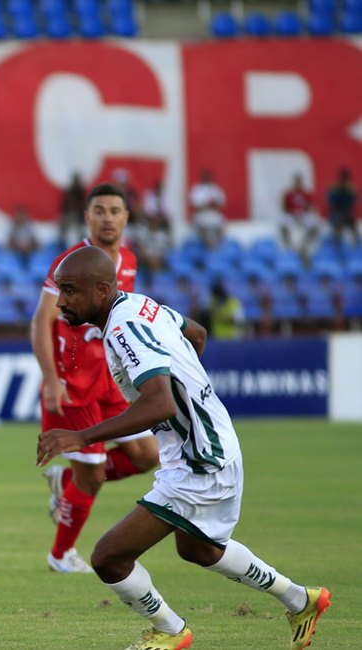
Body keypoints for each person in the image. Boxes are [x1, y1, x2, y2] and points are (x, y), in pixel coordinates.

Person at [37, 246, 331, 650]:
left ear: (102, 290)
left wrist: (82, 436)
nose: (62, 301)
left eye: (70, 291)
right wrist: (190, 388)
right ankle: (302, 600)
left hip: (200, 460)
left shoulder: (124, 328)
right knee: (198, 548)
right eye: (60, 290)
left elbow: (159, 402)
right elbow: (196, 333)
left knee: (109, 557)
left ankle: (171, 632)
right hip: (208, 445)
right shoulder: (139, 306)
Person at [30, 182, 158, 574]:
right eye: (99, 210)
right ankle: (60, 555)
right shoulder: (71, 262)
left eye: (114, 211)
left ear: (126, 217)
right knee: (92, 476)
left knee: (147, 455)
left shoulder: (130, 261)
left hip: (112, 380)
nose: (107, 218)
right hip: (75, 381)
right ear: (87, 217)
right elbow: (42, 320)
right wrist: (51, 379)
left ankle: (67, 484)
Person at [280, 174, 321, 261]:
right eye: (296, 181)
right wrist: (290, 211)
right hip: (292, 214)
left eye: (299, 182)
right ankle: (289, 244)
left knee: (315, 225)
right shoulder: (288, 194)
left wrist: (306, 210)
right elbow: (284, 207)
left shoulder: (306, 193)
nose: (298, 184)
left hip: (303, 214)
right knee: (284, 223)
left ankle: (305, 244)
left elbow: (310, 206)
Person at [189, 169, 226, 250]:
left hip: (213, 214)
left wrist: (213, 205)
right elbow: (195, 207)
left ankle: (217, 248)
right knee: (203, 226)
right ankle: (207, 247)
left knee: (220, 224)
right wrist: (208, 204)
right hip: (201, 215)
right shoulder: (197, 189)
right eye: (206, 177)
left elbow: (220, 205)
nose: (208, 179)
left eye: (209, 177)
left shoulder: (216, 189)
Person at [326, 167, 359, 248]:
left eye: (346, 178)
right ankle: (336, 242)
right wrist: (339, 214)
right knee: (338, 222)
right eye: (342, 177)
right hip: (336, 213)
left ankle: (355, 244)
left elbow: (352, 205)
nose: (344, 180)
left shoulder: (351, 190)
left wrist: (346, 214)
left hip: (347, 213)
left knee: (353, 223)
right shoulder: (334, 189)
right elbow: (331, 205)